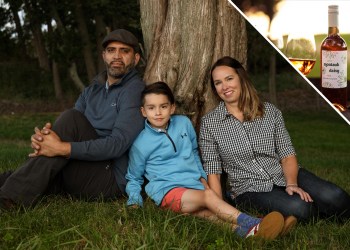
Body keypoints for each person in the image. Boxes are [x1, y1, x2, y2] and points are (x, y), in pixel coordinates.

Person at [125, 81, 296, 240]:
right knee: (208, 197)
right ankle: (255, 223)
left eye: (163, 106)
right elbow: (134, 177)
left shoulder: (183, 124)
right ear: (143, 111)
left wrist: (202, 178)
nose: (158, 112)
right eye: (151, 108)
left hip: (193, 186)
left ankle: (249, 234)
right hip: (167, 191)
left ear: (172, 108)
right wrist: (134, 202)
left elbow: (193, 152)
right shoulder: (141, 143)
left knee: (208, 213)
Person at [0, 29, 145, 209]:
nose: (117, 56)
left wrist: (62, 148)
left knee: (70, 118)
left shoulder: (135, 90)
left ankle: (11, 200)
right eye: (111, 50)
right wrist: (44, 139)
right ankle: (13, 183)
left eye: (124, 51)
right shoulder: (92, 90)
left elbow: (118, 144)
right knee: (18, 175)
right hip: (82, 166)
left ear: (136, 58)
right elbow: (68, 131)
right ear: (103, 55)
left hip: (108, 178)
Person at [199, 56, 350, 221]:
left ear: (241, 79)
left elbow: (287, 154)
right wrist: (220, 207)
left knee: (335, 196)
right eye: (218, 82)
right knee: (300, 207)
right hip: (249, 189)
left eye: (229, 79)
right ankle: (313, 212)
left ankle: (318, 210)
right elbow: (213, 170)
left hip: (283, 173)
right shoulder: (210, 123)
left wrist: (291, 184)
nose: (224, 86)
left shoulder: (270, 112)